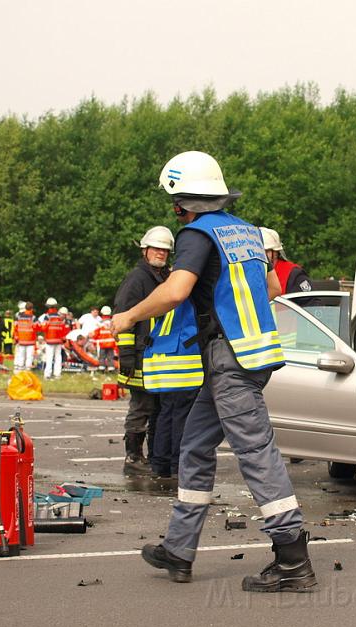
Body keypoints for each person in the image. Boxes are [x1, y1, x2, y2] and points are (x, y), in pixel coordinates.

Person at [111, 150, 315, 593]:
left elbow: (176, 290)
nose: (174, 210)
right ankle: (179, 550)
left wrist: (128, 317)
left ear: (184, 202)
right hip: (253, 355)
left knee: (257, 454)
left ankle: (293, 560)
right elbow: (274, 287)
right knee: (195, 447)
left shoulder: (196, 234)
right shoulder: (245, 231)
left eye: (175, 202)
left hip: (230, 361)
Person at [113, 226, 173, 475]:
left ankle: (153, 456)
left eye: (165, 250)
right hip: (138, 356)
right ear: (145, 250)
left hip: (159, 357)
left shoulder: (166, 278)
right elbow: (123, 317)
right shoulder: (137, 280)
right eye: (156, 248)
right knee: (141, 407)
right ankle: (133, 456)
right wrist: (126, 355)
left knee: (158, 409)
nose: (161, 253)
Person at [260, 227, 313, 294]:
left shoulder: (293, 274)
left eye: (266, 252)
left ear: (275, 253)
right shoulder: (249, 274)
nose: (260, 257)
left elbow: (310, 302)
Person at [39, 297, 68, 379]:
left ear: (48, 306)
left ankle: (47, 375)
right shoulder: (59, 316)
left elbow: (44, 328)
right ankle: (57, 374)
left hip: (50, 340)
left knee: (49, 357)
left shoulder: (47, 316)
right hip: (58, 340)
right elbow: (62, 328)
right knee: (58, 357)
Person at [13, 302, 37, 371]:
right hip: (30, 341)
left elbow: (16, 327)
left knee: (21, 356)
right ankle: (27, 372)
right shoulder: (33, 317)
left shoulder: (19, 317)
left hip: (21, 340)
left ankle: (19, 371)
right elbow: (37, 327)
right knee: (28, 357)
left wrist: (16, 337)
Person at [93, 306, 117, 371]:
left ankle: (102, 368)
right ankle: (111, 368)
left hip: (102, 343)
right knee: (110, 356)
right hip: (111, 343)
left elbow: (96, 333)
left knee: (102, 357)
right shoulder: (113, 322)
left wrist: (94, 341)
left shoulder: (99, 322)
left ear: (102, 313)